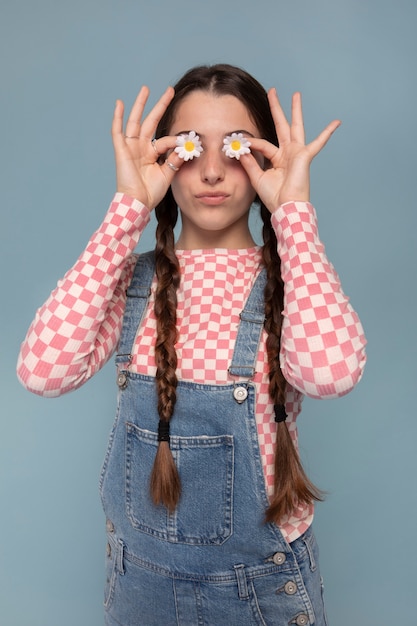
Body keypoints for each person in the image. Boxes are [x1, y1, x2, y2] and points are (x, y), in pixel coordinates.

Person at [17, 63, 366, 626]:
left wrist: (293, 214)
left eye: (235, 147)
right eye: (186, 147)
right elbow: (42, 372)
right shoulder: (132, 281)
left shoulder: (292, 280)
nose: (210, 171)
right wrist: (126, 210)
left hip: (261, 591)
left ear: (265, 160)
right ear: (162, 158)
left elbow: (333, 374)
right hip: (140, 590)